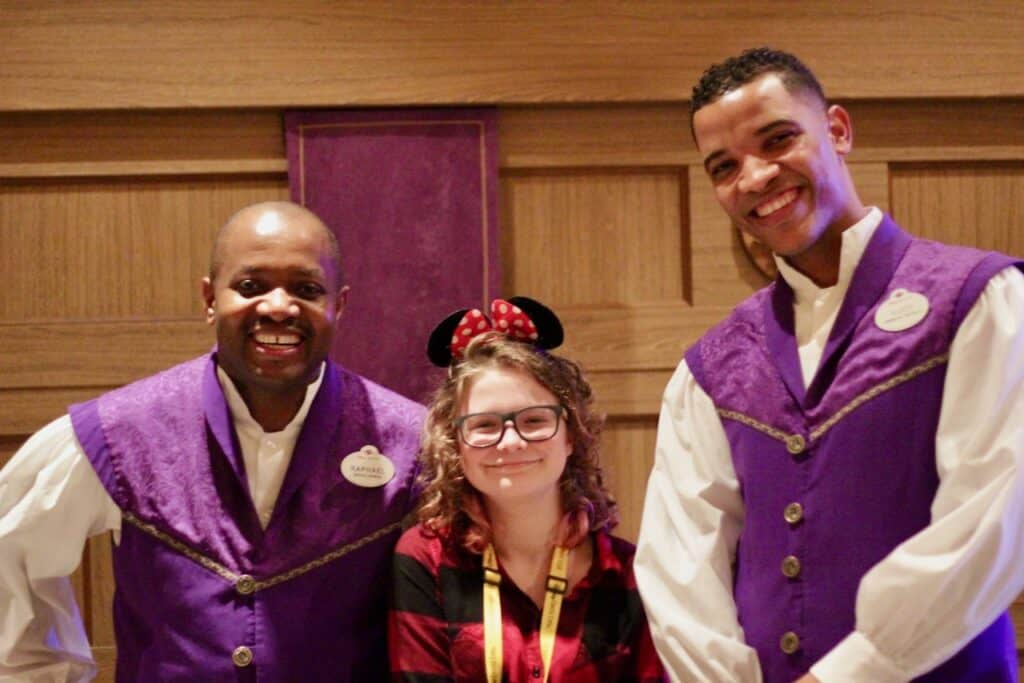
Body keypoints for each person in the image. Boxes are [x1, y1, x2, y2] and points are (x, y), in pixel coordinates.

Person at [635, 47, 1024, 683]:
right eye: (724, 166)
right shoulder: (709, 370)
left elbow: (996, 513)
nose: (755, 177)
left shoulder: (979, 301)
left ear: (837, 130)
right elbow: (679, 566)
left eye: (778, 139)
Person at [0, 201, 426, 681]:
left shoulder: (412, 443)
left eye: (307, 289)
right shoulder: (117, 432)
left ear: (339, 306)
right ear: (209, 299)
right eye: (250, 286)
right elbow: (8, 546)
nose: (279, 306)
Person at [389, 297, 666, 682]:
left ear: (572, 435)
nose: (511, 441)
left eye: (534, 420)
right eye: (485, 425)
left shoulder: (627, 574)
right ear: (456, 446)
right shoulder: (426, 559)